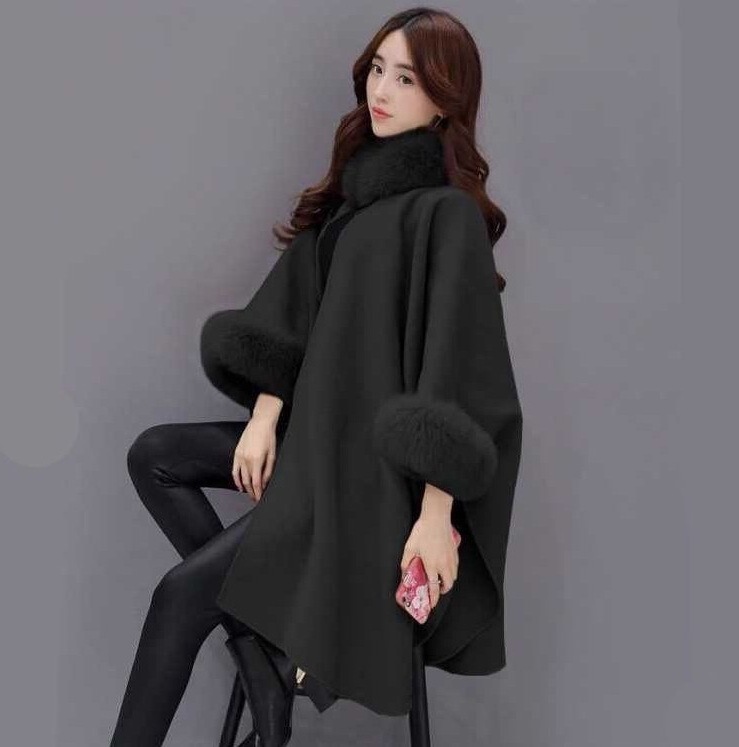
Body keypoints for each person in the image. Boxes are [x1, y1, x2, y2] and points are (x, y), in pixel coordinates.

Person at [110, 7, 522, 747]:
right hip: (313, 448)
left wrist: (435, 515)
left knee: (179, 597)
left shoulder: (444, 216)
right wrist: (266, 415)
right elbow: (295, 313)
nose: (381, 90)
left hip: (367, 484)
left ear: (445, 100)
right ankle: (259, 658)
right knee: (155, 455)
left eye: (406, 78)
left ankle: (253, 656)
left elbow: (459, 368)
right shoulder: (352, 206)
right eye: (377, 70)